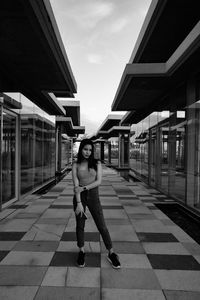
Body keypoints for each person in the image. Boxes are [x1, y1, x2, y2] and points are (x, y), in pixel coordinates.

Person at [72, 138, 121, 269]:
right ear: (81, 149)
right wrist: (78, 203)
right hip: (79, 197)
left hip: (93, 195)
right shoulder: (76, 165)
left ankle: (111, 252)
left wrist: (84, 188)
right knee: (80, 225)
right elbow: (76, 186)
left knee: (102, 225)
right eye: (85, 149)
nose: (87, 152)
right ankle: (81, 251)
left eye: (90, 150)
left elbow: (99, 181)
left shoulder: (96, 163)